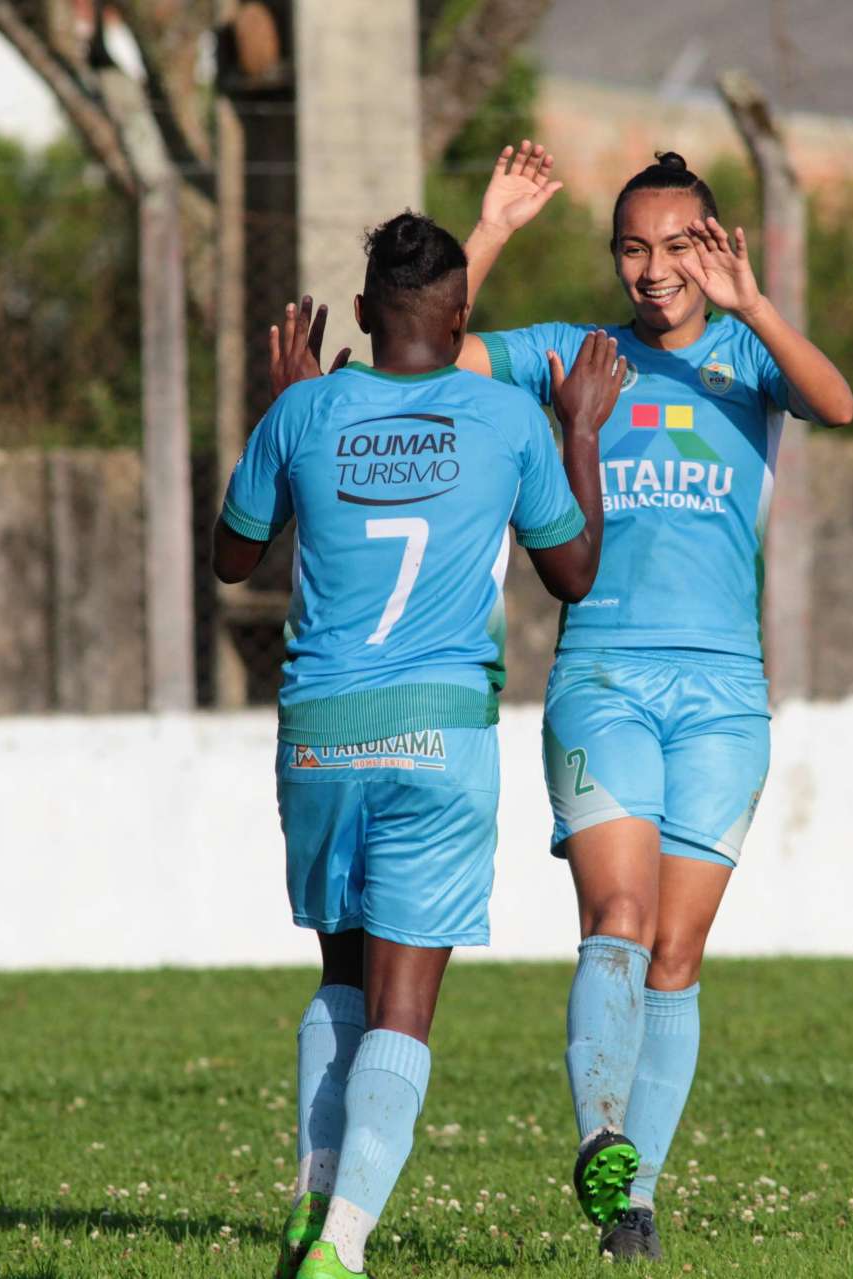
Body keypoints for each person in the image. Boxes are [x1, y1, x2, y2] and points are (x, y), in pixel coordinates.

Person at [455, 144, 853, 1261]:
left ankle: (632, 1205)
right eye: (633, 246)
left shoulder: (749, 357)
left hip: (728, 697)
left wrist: (757, 303)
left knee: (677, 954)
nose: (653, 267)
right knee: (618, 920)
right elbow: (432, 348)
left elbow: (838, 400)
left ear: (717, 246)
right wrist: (492, 229)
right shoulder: (575, 357)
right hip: (603, 678)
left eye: (678, 244)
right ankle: (601, 1137)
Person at [213, 210, 625, 1279]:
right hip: (439, 738)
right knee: (404, 1006)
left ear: (361, 313)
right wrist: (579, 426)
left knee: (341, 978)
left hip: (320, 734)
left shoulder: (306, 411)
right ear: (462, 315)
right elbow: (572, 573)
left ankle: (312, 1203)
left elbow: (230, 555)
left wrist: (288, 414)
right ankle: (340, 1247)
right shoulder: (506, 417)